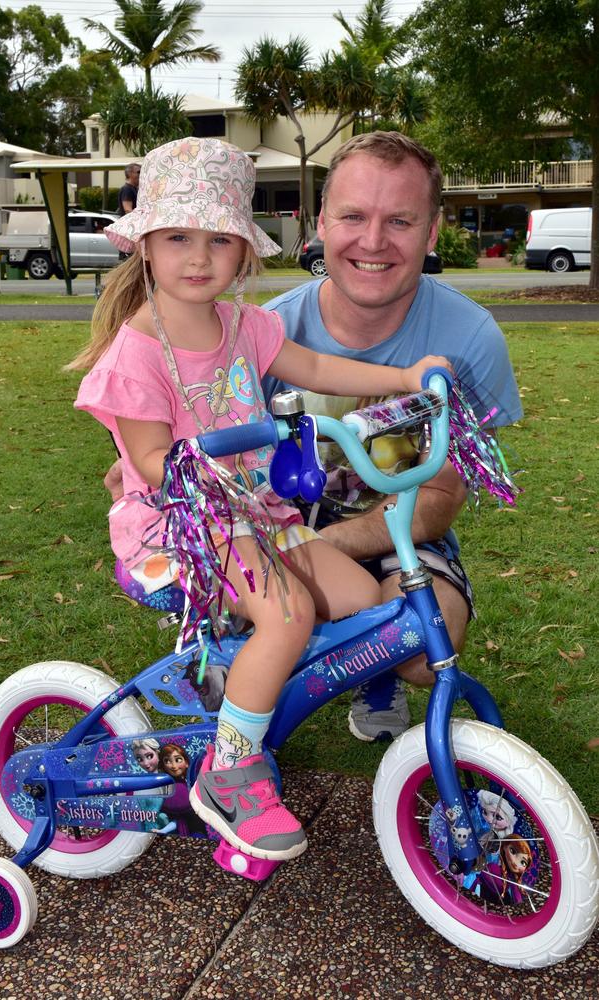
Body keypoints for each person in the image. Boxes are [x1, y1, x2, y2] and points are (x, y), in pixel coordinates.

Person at [69, 136, 451, 864]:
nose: (198, 256)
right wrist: (196, 460)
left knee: (359, 596)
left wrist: (405, 380)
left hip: (253, 515)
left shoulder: (247, 326)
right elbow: (149, 459)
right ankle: (232, 771)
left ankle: (244, 678)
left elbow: (312, 366)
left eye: (219, 239)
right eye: (178, 236)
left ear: (244, 252)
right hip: (178, 528)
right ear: (144, 243)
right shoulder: (137, 352)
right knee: (289, 610)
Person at [262, 131, 522, 742]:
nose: (373, 241)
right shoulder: (268, 332)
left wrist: (324, 547)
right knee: (246, 604)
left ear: (431, 232)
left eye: (399, 220)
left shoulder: (470, 338)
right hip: (275, 526)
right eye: (353, 215)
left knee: (423, 644)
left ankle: (374, 670)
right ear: (321, 222)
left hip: (395, 526)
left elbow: (438, 495)